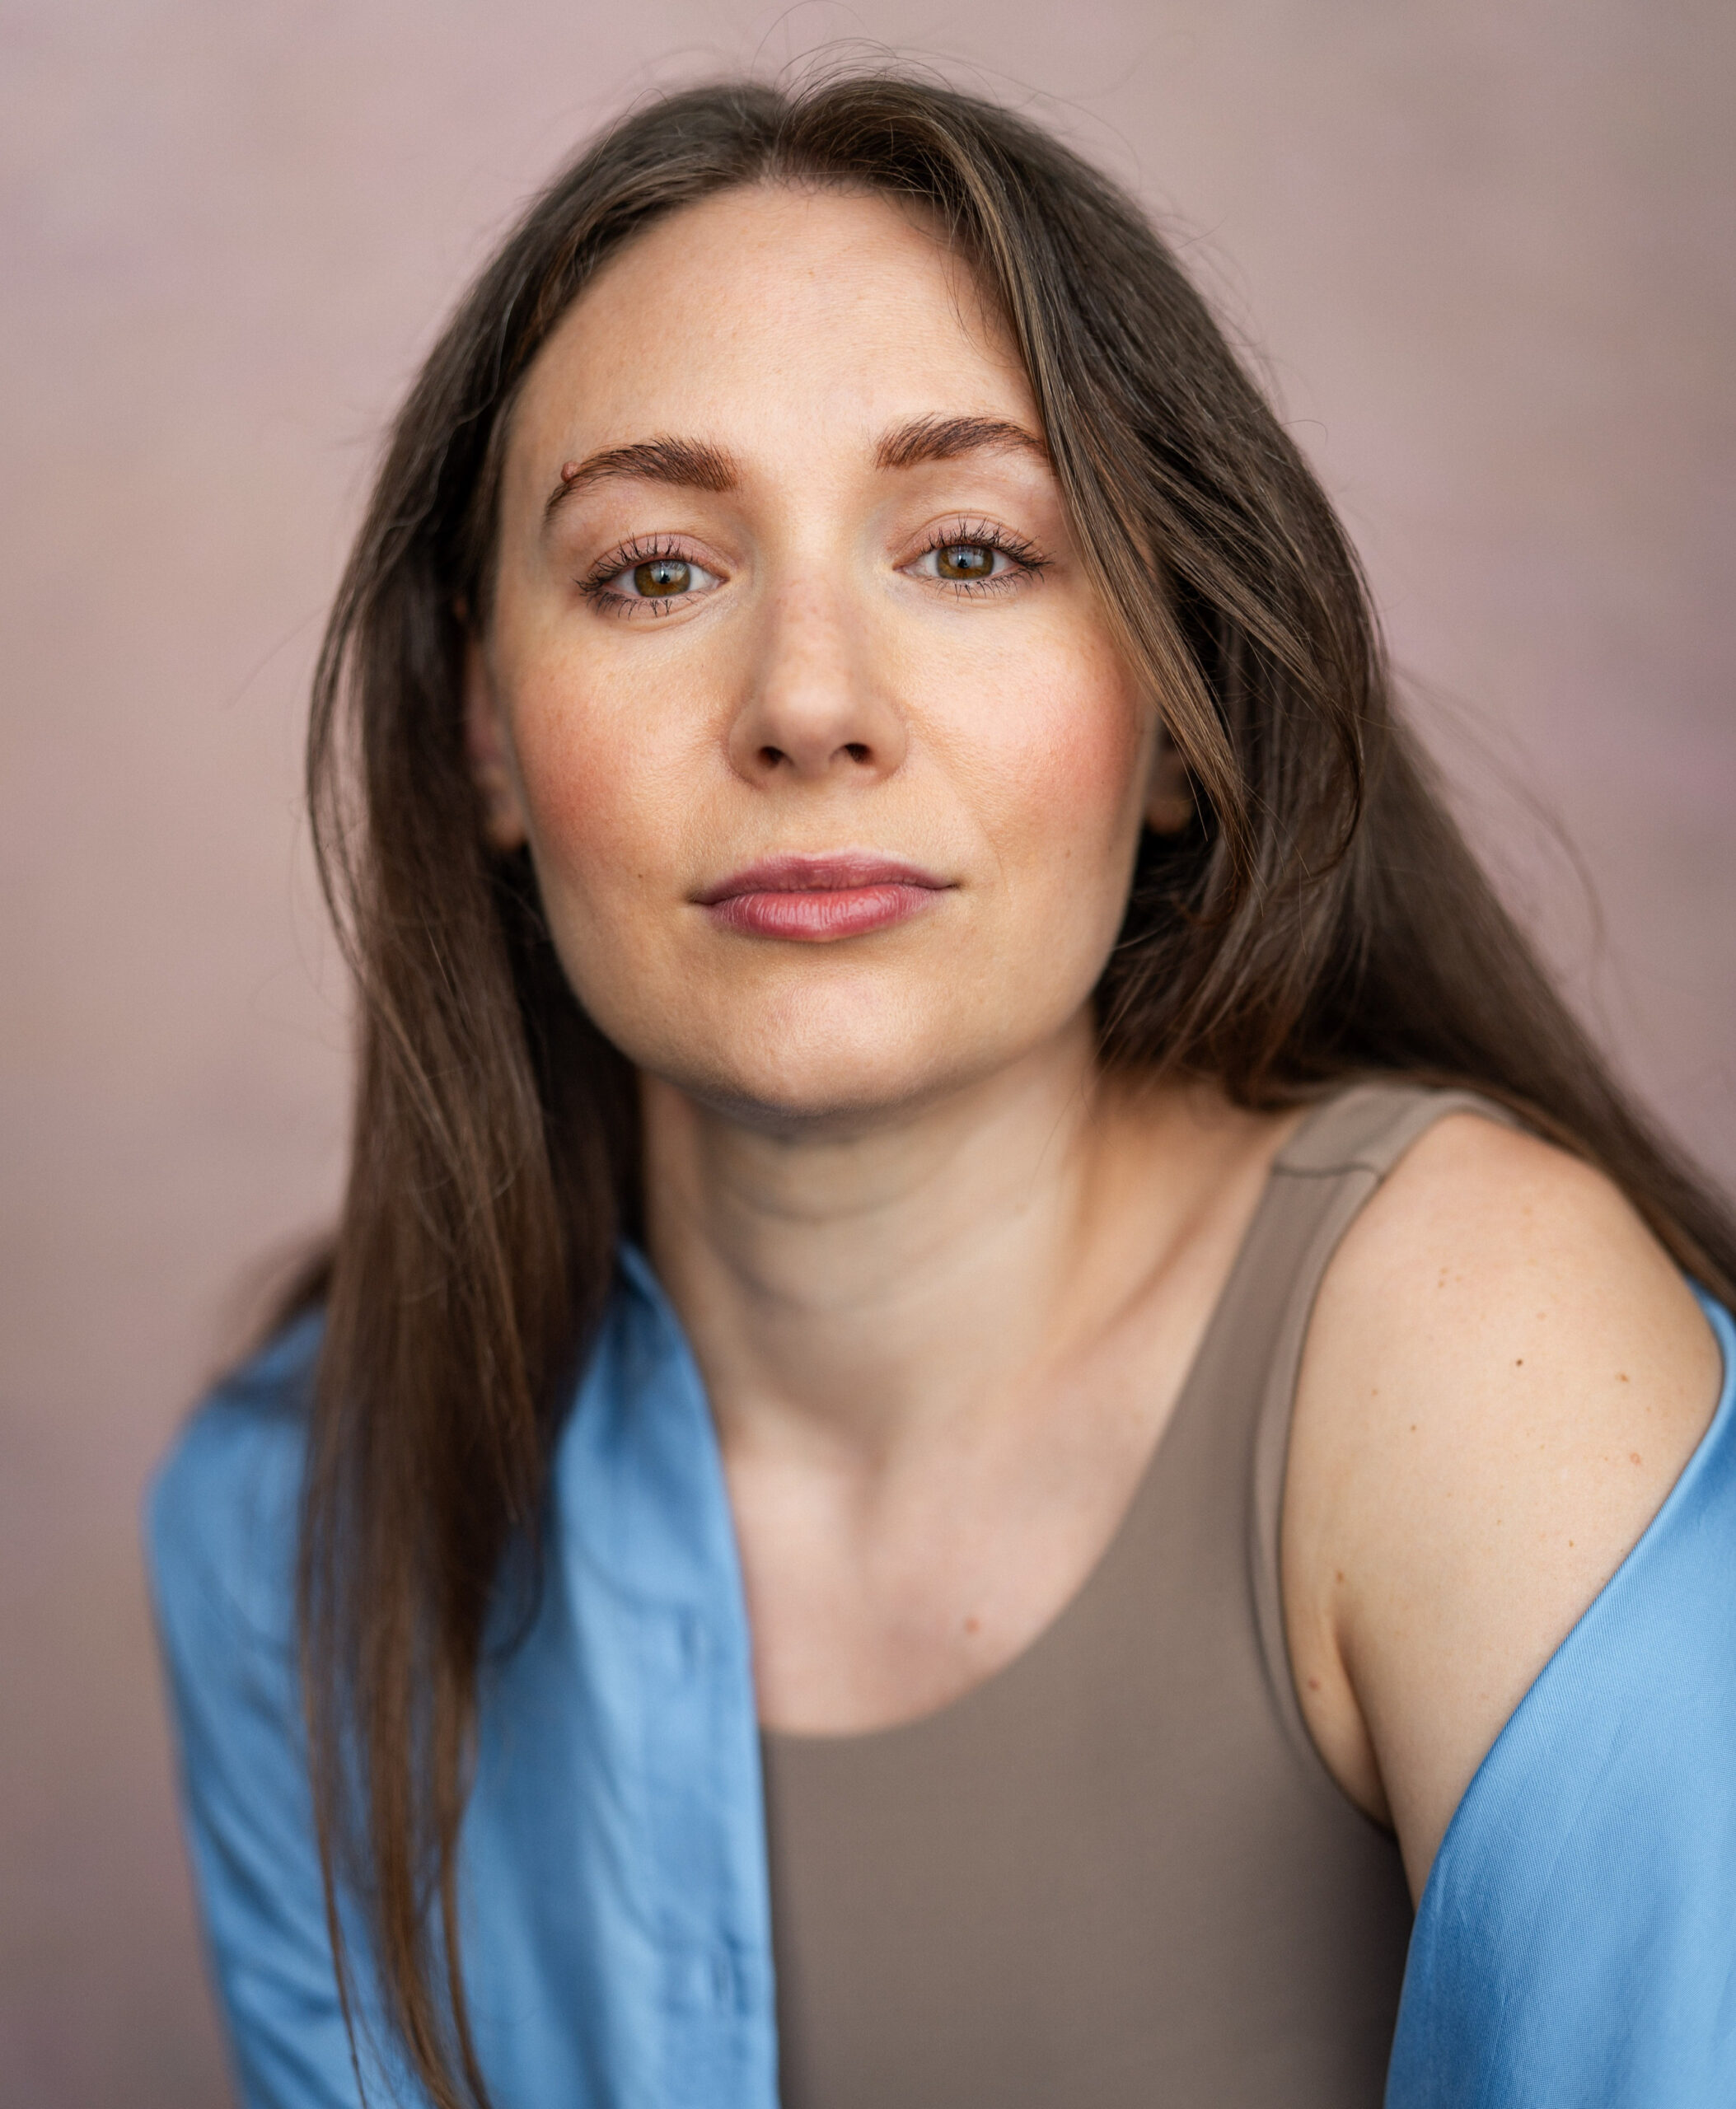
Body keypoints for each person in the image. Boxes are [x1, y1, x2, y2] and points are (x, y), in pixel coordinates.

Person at [147, 72, 1736, 2109]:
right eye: (655, 571)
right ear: (484, 734)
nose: (810, 704)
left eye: (971, 550)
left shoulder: (1471, 1343)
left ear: (1174, 714)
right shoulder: (297, 1523)